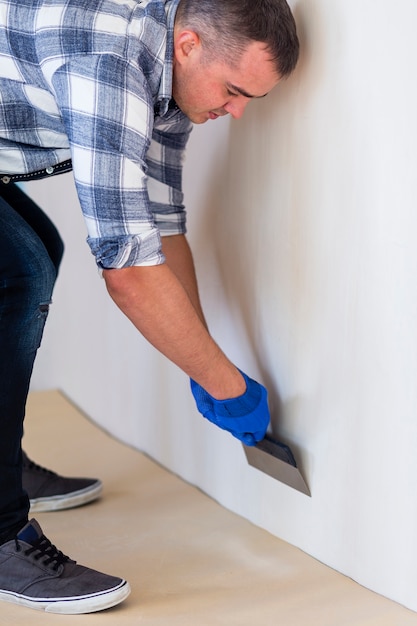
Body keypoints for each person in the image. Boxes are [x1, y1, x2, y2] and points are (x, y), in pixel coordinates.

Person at [0, 0, 299, 615]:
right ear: (188, 45)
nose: (237, 111)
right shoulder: (112, 68)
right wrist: (227, 384)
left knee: (34, 256)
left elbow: (159, 231)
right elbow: (130, 274)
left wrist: (203, 362)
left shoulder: (169, 76)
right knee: (19, 273)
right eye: (235, 90)